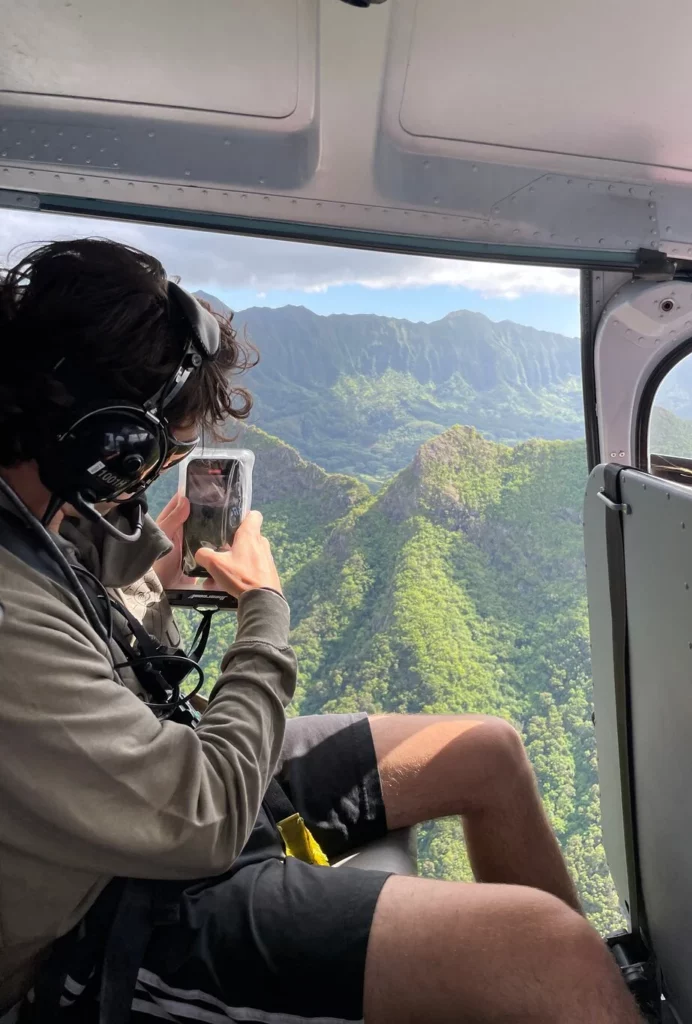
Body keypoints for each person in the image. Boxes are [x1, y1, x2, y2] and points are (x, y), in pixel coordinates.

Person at [0, 239, 641, 1024]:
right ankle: (573, 989)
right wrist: (265, 611)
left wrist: (153, 581)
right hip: (94, 916)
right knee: (550, 948)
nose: (158, 471)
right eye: (160, 449)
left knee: (488, 750)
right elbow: (204, 818)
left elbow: (91, 680)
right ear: (109, 442)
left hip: (144, 794)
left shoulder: (38, 520)